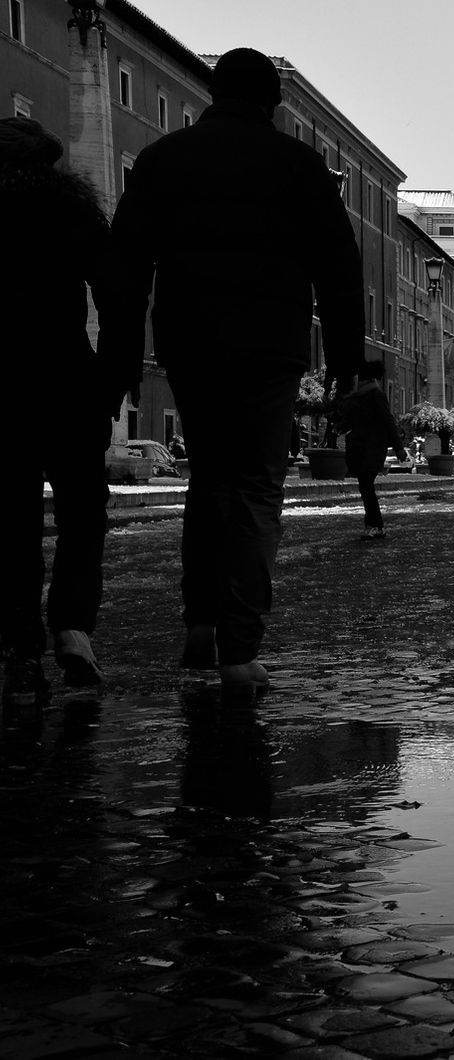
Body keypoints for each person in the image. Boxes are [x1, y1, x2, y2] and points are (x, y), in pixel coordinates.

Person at [109, 48, 364, 696]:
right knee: (255, 489)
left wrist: (119, 355)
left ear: (211, 94)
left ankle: (200, 619)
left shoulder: (165, 159)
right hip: (271, 348)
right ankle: (239, 647)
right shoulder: (299, 165)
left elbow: (127, 264)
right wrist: (346, 359)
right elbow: (340, 270)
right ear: (273, 103)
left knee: (210, 482)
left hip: (191, 343)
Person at [1, 116, 116, 703]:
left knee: (12, 519)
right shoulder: (72, 211)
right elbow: (116, 291)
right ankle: (72, 627)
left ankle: (20, 638)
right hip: (68, 378)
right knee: (82, 513)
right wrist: (116, 372)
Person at [341, 360, 405, 540]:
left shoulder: (374, 396)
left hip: (371, 449)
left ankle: (375, 525)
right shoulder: (358, 397)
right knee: (365, 487)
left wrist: (399, 448)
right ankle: (374, 525)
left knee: (366, 487)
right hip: (362, 448)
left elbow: (388, 421)